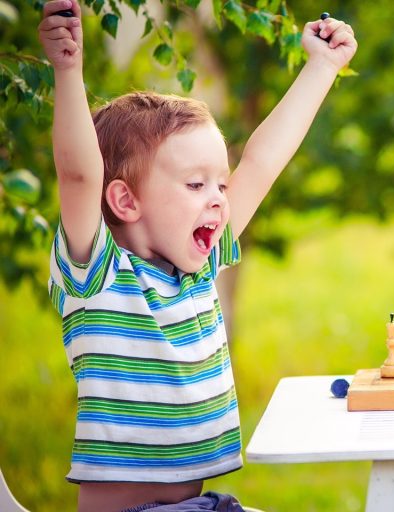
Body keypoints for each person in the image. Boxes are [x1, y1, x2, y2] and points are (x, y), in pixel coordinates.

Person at [38, 1, 357, 510]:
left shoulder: (195, 266)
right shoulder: (97, 274)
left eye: (221, 184)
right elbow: (79, 175)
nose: (218, 198)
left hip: (200, 503)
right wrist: (68, 70)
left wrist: (321, 67)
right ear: (125, 200)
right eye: (194, 183)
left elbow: (263, 160)